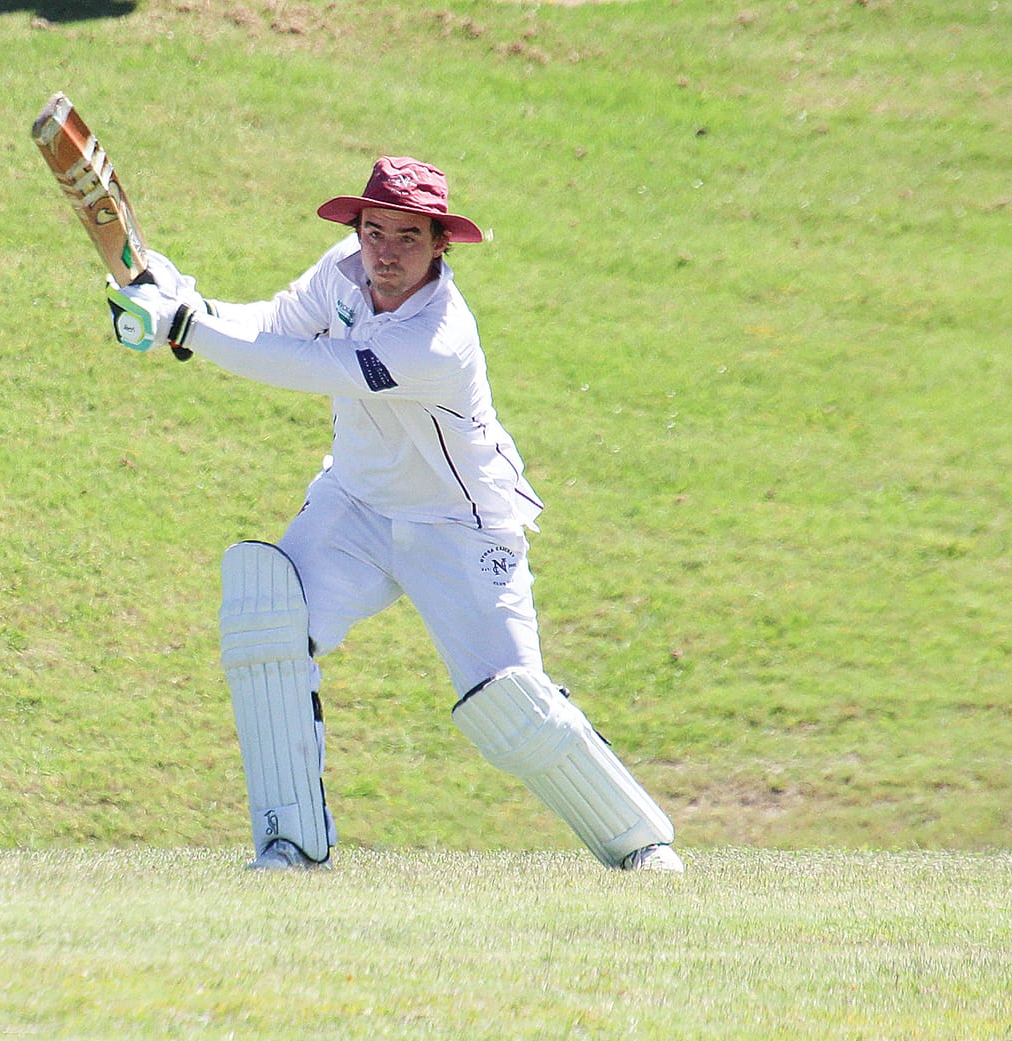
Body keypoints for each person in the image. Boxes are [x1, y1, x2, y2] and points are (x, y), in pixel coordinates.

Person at [111, 156, 683, 873]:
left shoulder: (436, 338)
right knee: (268, 626)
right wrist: (177, 299)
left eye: (407, 238)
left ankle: (641, 843)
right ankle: (289, 844)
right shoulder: (343, 272)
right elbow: (277, 325)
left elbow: (307, 367)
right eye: (373, 232)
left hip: (459, 527)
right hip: (354, 506)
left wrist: (186, 323)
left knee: (513, 706)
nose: (385, 253)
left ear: (440, 244)